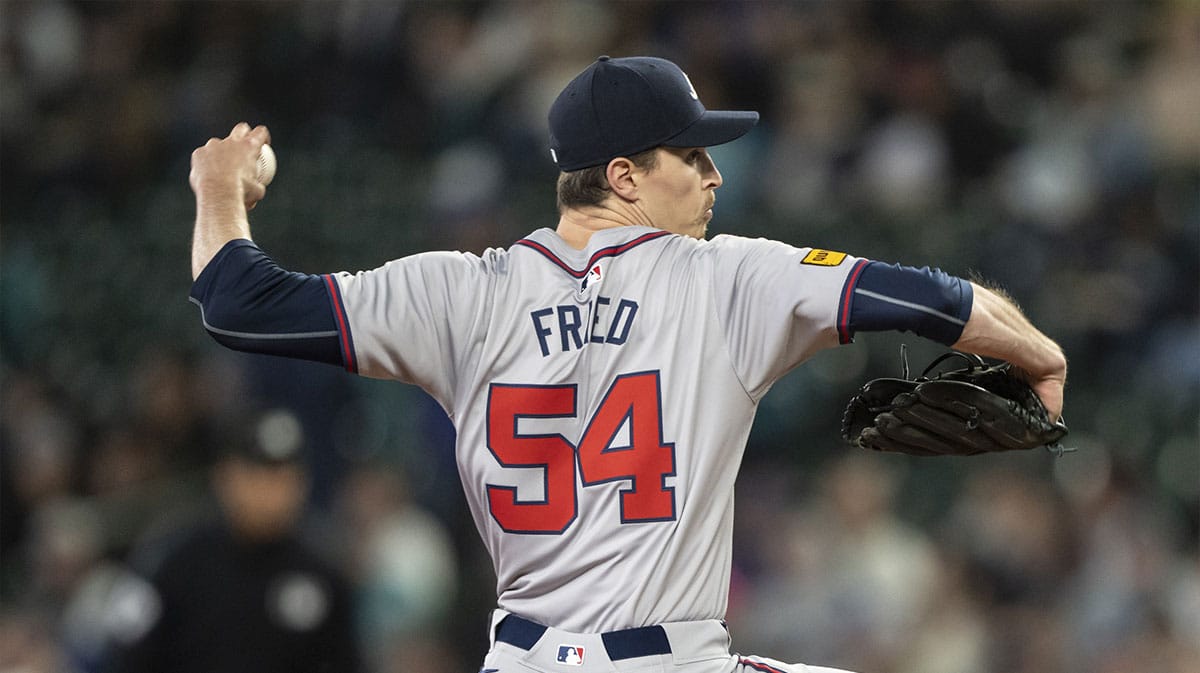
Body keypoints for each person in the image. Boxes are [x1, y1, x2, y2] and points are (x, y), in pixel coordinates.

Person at [186, 55, 1066, 673]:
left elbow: (239, 300)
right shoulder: (725, 277)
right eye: (691, 154)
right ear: (625, 176)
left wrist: (221, 191)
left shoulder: (457, 293)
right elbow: (933, 300)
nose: (714, 174)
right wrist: (1037, 351)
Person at [103, 409, 362, 673]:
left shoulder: (324, 573)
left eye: (283, 478)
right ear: (224, 477)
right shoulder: (175, 560)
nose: (272, 493)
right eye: (257, 476)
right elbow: (123, 646)